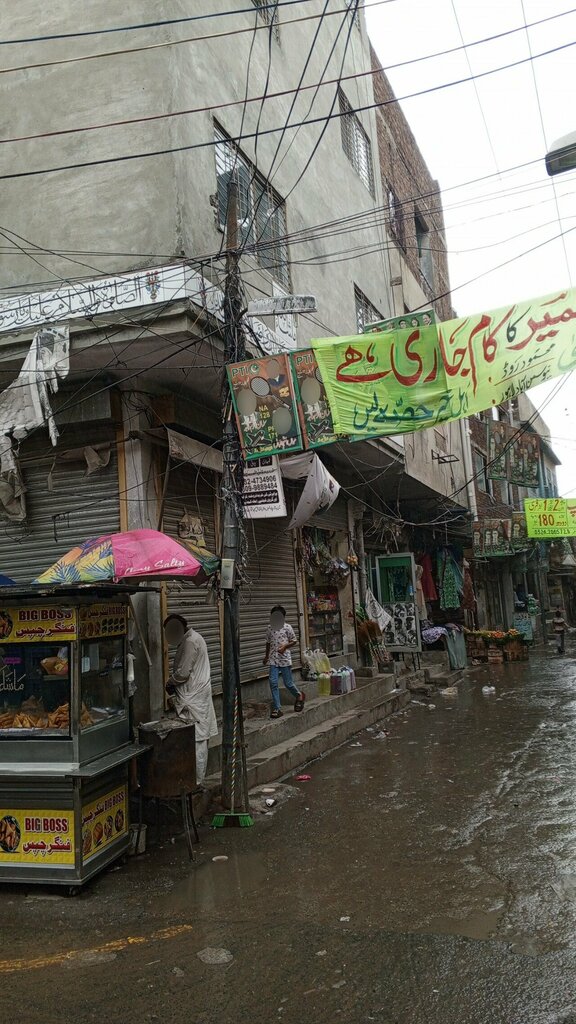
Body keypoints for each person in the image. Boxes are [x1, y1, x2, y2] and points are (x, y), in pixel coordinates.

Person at [164, 614, 218, 784]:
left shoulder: (190, 642)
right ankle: (195, 779)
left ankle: (196, 782)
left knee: (197, 740)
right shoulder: (194, 638)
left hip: (193, 697)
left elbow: (183, 673)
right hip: (196, 696)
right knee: (197, 737)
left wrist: (170, 682)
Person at [263, 605, 305, 719]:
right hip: (273, 659)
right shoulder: (269, 628)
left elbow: (294, 641)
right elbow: (268, 643)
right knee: (273, 682)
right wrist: (266, 657)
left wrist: (285, 646)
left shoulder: (287, 627)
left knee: (288, 683)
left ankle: (299, 695)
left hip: (284, 659)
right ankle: (277, 708)